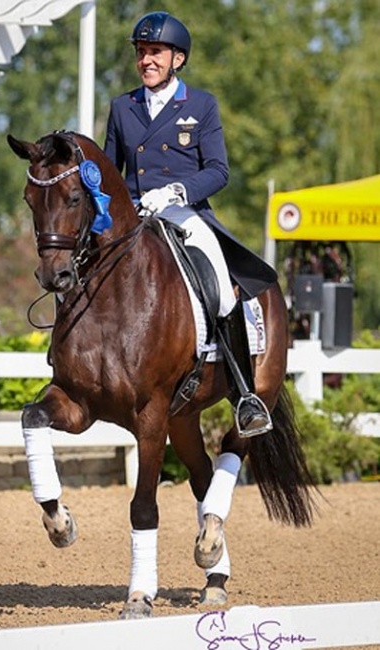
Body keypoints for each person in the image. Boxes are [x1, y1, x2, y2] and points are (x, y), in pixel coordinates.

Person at [104, 11, 278, 437]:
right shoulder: (121, 107)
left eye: (155, 53)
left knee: (220, 289)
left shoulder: (200, 105)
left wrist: (178, 191)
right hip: (137, 215)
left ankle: (244, 392)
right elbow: (110, 172)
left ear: (177, 59)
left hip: (186, 213)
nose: (146, 60)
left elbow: (219, 171)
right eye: (141, 53)